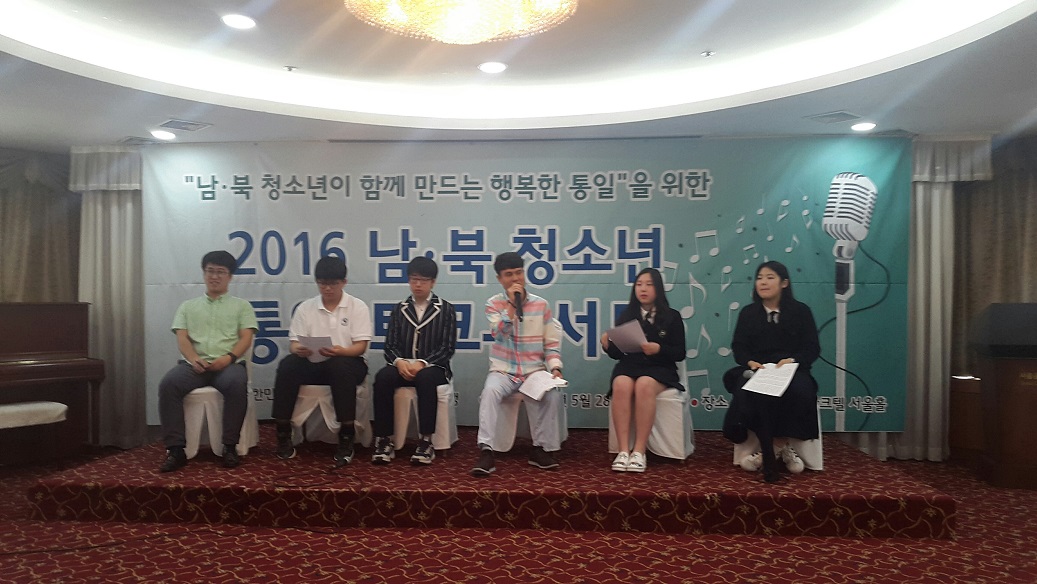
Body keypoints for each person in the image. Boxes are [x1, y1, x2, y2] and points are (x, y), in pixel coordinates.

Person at [158, 250, 257, 472]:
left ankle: (229, 447)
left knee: (236, 384)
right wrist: (194, 359)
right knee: (168, 384)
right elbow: (182, 337)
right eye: (210, 271)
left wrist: (229, 358)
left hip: (228, 365)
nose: (214, 276)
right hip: (194, 366)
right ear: (204, 273)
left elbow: (246, 338)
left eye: (220, 272)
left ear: (230, 276)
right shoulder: (187, 306)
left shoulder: (242, 306)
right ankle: (175, 450)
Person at [722, 260, 820, 483]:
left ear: (784, 283)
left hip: (791, 369)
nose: (763, 282)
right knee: (752, 391)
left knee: (799, 391)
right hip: (758, 369)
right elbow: (739, 347)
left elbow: (812, 348)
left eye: (769, 277)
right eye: (759, 278)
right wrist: (750, 362)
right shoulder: (748, 313)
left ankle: (776, 447)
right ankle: (773, 451)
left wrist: (793, 361)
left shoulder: (801, 311)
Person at [271, 256, 372, 466]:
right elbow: (294, 343)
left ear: (344, 282)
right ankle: (283, 431)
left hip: (349, 362)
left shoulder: (357, 306)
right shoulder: (306, 308)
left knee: (339, 366)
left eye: (332, 283)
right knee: (288, 364)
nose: (327, 288)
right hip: (313, 361)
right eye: (322, 283)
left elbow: (360, 346)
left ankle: (346, 435)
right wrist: (300, 349)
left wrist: (341, 351)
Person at [471, 252, 564, 476]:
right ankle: (486, 450)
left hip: (534, 371)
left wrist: (555, 368)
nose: (515, 279)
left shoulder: (541, 305)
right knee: (490, 391)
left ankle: (540, 449)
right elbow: (499, 334)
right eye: (509, 274)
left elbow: (551, 343)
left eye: (519, 273)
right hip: (504, 371)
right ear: (500, 278)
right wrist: (512, 305)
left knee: (551, 394)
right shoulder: (493, 304)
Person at [370, 256, 457, 466]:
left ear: (433, 282)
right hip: (402, 365)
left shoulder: (446, 309)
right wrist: (399, 362)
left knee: (425, 378)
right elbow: (389, 346)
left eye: (423, 280)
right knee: (383, 377)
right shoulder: (399, 309)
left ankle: (426, 441)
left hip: (434, 367)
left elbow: (447, 348)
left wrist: (422, 363)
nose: (418, 284)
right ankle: (384, 439)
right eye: (413, 279)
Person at [601, 267, 686, 473]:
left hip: (660, 367)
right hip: (631, 365)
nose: (643, 289)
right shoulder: (627, 315)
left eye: (649, 284)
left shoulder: (672, 316)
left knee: (644, 384)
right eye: (639, 285)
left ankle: (639, 451)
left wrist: (659, 349)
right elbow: (618, 354)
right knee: (620, 384)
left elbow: (679, 352)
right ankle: (623, 451)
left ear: (658, 288)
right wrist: (607, 345)